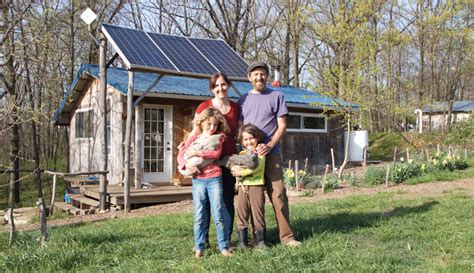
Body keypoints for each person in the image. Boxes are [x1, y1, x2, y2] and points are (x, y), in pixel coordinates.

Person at [237, 61, 302, 247]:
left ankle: (287, 237)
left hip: (271, 154)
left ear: (267, 76)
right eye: (255, 74)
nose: (259, 77)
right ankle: (256, 237)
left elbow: (282, 125)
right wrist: (244, 152)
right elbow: (241, 128)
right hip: (249, 155)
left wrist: (270, 144)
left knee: (278, 193)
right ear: (249, 78)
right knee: (251, 195)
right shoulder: (243, 99)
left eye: (262, 74)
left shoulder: (277, 96)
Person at [179, 107, 232, 257]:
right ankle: (199, 247)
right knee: (199, 214)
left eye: (215, 125)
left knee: (218, 213)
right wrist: (187, 165)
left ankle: (223, 247)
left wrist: (197, 153)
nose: (212, 127)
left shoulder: (217, 138)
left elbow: (216, 154)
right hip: (198, 181)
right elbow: (182, 155)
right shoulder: (194, 137)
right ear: (201, 123)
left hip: (214, 178)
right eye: (209, 124)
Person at [194, 73, 240, 247]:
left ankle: (226, 240)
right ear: (212, 89)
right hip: (206, 161)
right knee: (204, 202)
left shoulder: (236, 108)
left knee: (227, 200)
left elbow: (240, 133)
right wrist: (186, 152)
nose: (220, 88)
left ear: (228, 85)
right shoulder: (204, 106)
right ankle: (203, 240)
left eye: (223, 85)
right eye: (216, 86)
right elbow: (195, 131)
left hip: (228, 160)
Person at [230, 124, 267, 249]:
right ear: (241, 141)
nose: (249, 142)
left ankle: (260, 241)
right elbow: (237, 165)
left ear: (257, 137)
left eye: (251, 138)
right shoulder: (242, 153)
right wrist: (235, 169)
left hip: (256, 185)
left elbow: (257, 167)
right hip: (242, 186)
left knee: (257, 212)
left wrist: (242, 172)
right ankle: (242, 242)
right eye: (245, 139)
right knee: (242, 211)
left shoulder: (260, 151)